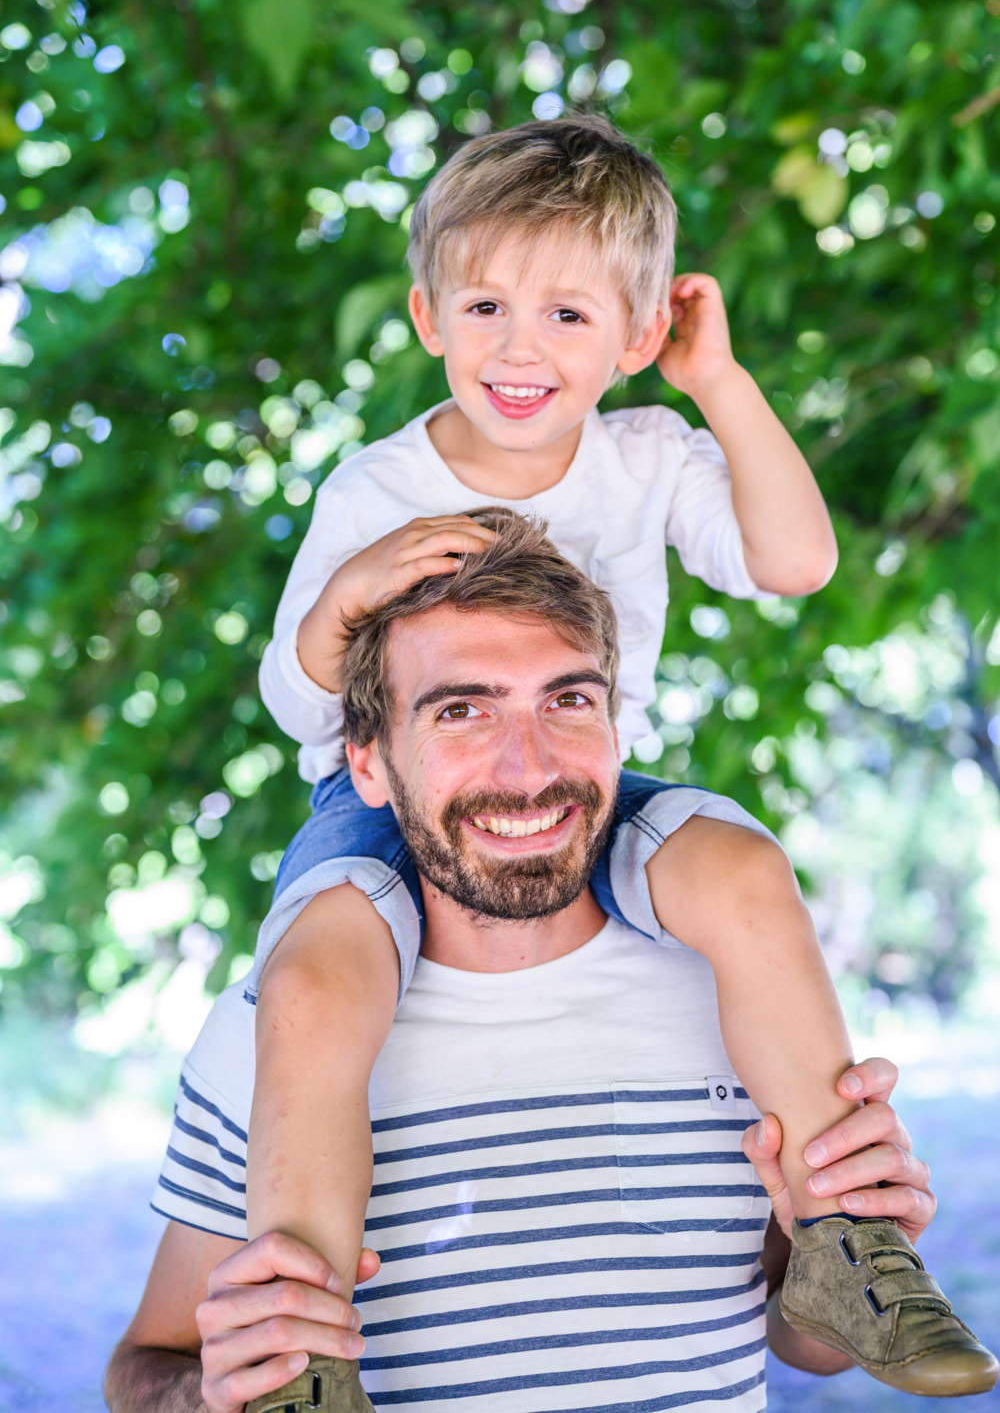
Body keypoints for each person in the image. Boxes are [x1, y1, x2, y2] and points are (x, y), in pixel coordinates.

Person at [105, 515, 995, 1412]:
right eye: (461, 710)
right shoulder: (284, 1022)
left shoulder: (741, 985)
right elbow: (146, 1364)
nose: (527, 767)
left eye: (566, 700)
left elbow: (800, 1341)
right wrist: (213, 1394)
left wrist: (842, 1225)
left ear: (616, 723)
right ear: (367, 765)